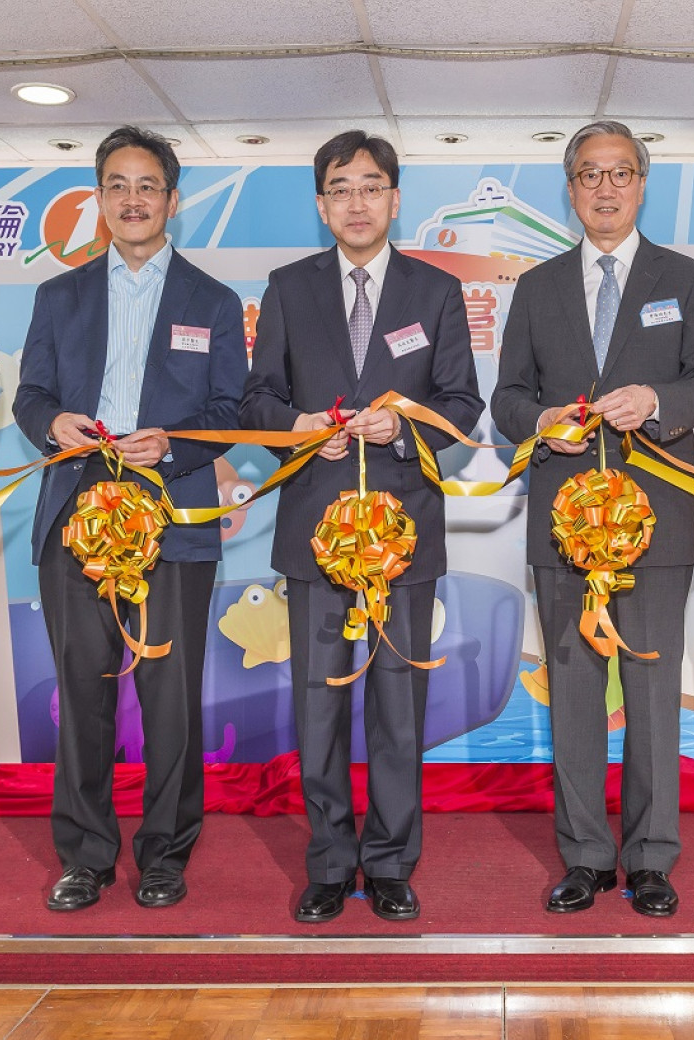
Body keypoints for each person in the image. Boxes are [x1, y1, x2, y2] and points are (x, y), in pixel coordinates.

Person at [241, 130, 483, 923]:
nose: (356, 202)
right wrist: (300, 423)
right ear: (320, 204)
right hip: (314, 529)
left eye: (371, 186)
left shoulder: (434, 290)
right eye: (340, 188)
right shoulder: (287, 287)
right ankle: (328, 860)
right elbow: (257, 402)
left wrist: (402, 430)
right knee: (316, 703)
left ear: (395, 198)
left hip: (403, 530)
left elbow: (460, 406)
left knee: (394, 704)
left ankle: (388, 862)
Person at [491, 120, 694, 917]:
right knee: (574, 691)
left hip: (655, 522)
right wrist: (541, 419)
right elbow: (506, 399)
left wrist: (657, 402)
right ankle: (586, 857)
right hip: (565, 523)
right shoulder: (537, 287)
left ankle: (652, 859)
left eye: (619, 173)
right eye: (588, 174)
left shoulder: (684, 277)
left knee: (655, 693)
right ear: (569, 189)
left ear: (640, 184)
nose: (604, 187)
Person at [14, 126, 247, 911]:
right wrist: (55, 426)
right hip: (77, 513)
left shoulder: (211, 302)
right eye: (117, 184)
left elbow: (229, 412)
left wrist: (173, 445)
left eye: (147, 185)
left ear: (172, 200)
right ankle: (83, 855)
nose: (132, 199)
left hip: (173, 517)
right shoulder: (59, 295)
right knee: (80, 691)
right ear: (100, 199)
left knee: (170, 698)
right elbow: (30, 397)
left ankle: (164, 856)